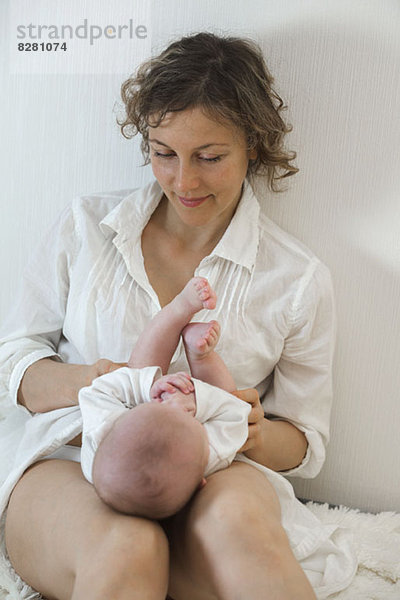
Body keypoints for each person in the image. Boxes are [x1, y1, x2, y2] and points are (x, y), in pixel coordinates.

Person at [0, 32, 357, 600]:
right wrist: (97, 383)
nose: (183, 182)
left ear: (254, 148)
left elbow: (305, 441)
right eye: (163, 152)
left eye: (209, 158)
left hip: (214, 470)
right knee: (125, 549)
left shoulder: (296, 279)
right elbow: (13, 360)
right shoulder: (85, 228)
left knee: (241, 534)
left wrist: (253, 433)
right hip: (75, 458)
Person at [86, 276, 250, 520]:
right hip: (203, 404)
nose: (170, 401)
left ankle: (179, 309)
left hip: (138, 397)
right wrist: (197, 401)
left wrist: (148, 387)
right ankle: (201, 355)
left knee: (138, 368)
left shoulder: (99, 449)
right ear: (200, 482)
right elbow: (236, 413)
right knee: (227, 395)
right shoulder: (207, 457)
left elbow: (98, 391)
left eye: (157, 409)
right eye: (183, 418)